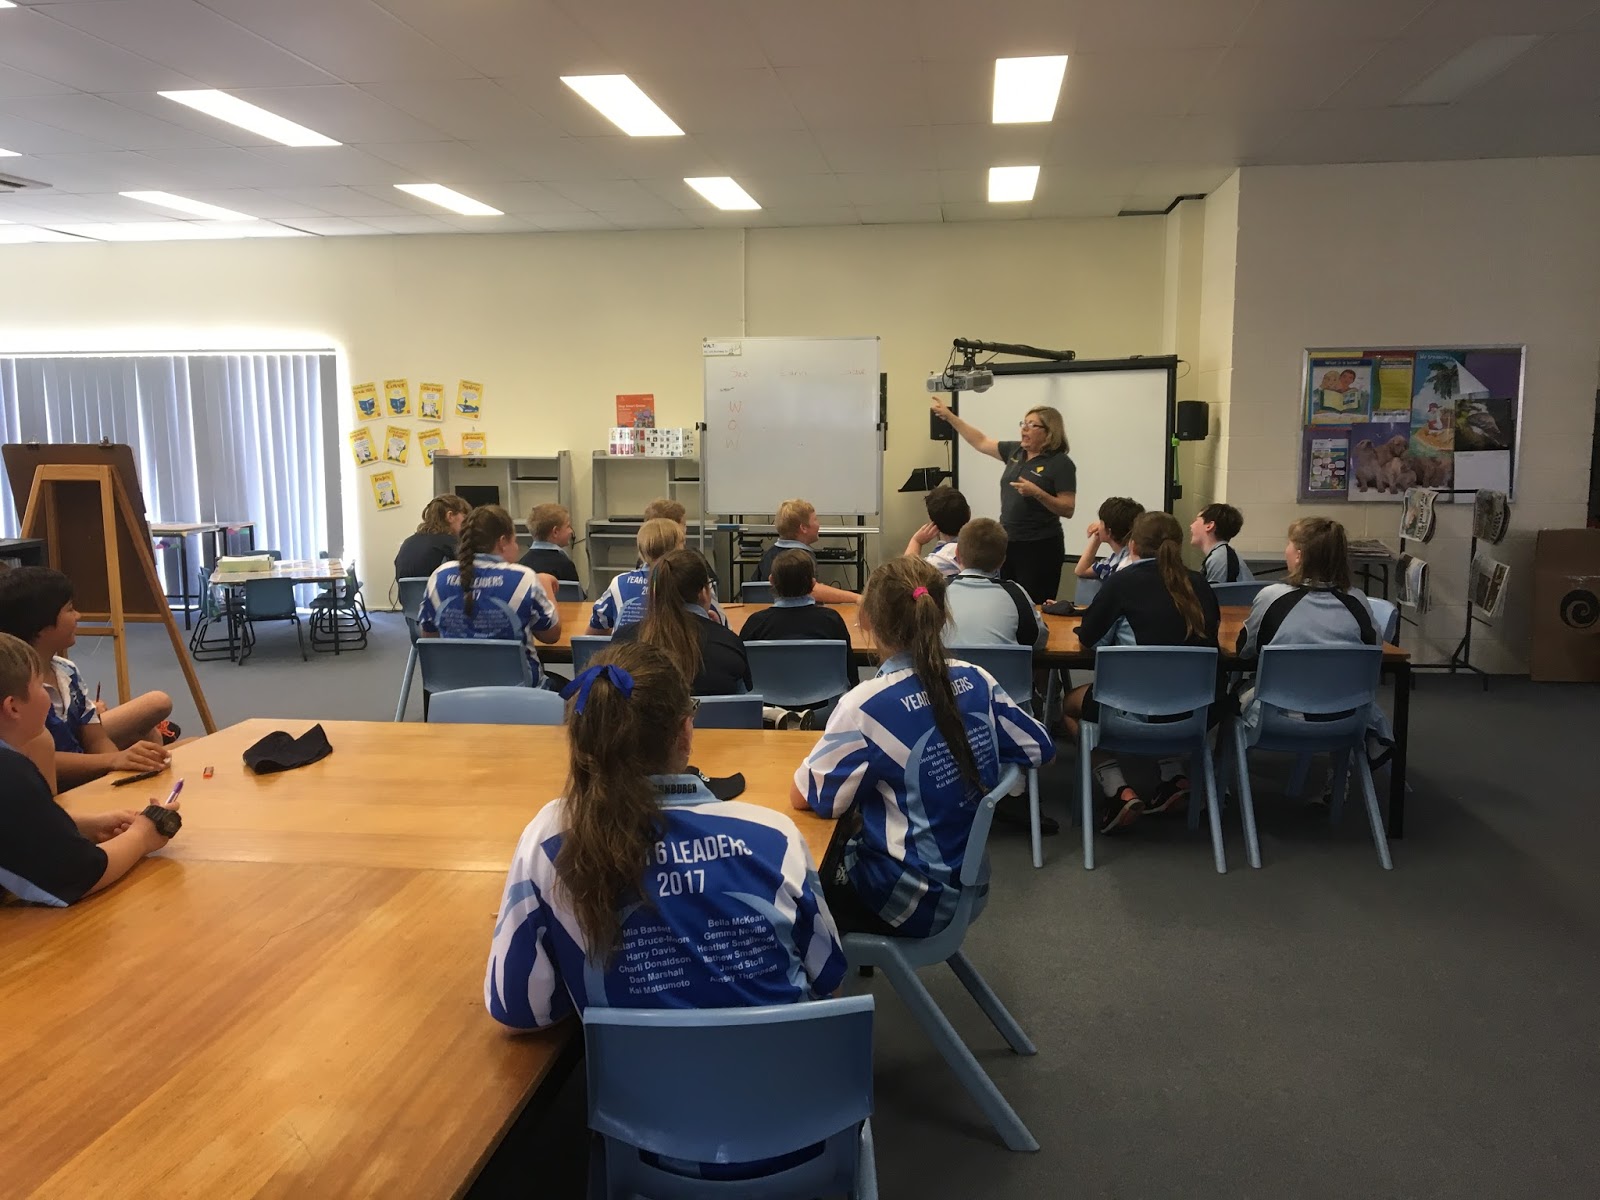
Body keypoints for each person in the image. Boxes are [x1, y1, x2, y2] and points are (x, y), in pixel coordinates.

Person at [485, 641, 846, 1029]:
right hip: (786, 1064)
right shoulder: (775, 837)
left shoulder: (549, 841)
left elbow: (518, 1009)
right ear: (685, 731)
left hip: (631, 1070)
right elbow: (828, 975)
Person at [791, 558, 1054, 936]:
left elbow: (811, 797)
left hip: (909, 898)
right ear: (942, 615)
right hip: (968, 884)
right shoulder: (977, 679)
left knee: (791, 884)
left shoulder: (864, 706)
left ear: (867, 620)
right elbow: (1039, 747)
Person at [1066, 512, 1221, 835]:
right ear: (1178, 546)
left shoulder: (1122, 583)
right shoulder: (1200, 584)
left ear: (1133, 545)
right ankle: (1173, 775)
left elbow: (1091, 640)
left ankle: (1117, 789)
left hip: (1131, 710)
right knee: (1163, 693)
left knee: (1069, 706)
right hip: (1194, 712)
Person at [0, 633, 183, 905]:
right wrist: (143, 835)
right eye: (41, 687)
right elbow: (82, 875)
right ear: (13, 707)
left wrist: (85, 827)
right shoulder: (9, 775)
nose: (48, 697)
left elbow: (20, 827)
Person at [0, 566, 174, 791]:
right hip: (55, 785)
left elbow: (97, 739)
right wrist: (113, 760)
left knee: (158, 736)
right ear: (40, 626)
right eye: (70, 609)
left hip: (83, 767)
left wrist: (120, 772)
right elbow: (39, 759)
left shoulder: (66, 670)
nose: (78, 616)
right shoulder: (18, 687)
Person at [1235, 517, 1392, 748]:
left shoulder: (1272, 598)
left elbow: (1245, 650)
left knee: (1233, 696)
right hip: (1347, 713)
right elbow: (1373, 649)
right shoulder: (1357, 601)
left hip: (1279, 713)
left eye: (1289, 544)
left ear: (1299, 555)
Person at [929, 400, 1077, 603]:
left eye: (1032, 425)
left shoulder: (1060, 463)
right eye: (1023, 423)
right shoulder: (1015, 451)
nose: (1024, 429)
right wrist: (950, 417)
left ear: (1049, 431)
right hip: (1008, 542)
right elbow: (980, 441)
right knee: (1007, 599)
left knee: (1033, 602)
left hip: (1039, 546)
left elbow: (1068, 508)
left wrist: (1037, 493)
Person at [417, 505, 562, 687]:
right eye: (515, 540)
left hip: (456, 691)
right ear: (503, 541)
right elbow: (551, 635)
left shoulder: (439, 576)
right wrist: (546, 585)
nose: (517, 547)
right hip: (519, 694)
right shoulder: (523, 578)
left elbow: (429, 635)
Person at [612, 549, 751, 696]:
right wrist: (721, 633)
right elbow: (744, 701)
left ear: (655, 593)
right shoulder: (729, 643)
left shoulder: (623, 641)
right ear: (704, 592)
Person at [738, 549, 855, 708]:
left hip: (768, 709)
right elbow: (851, 673)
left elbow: (741, 672)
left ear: (771, 581)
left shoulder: (755, 624)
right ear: (813, 584)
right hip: (823, 706)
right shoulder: (832, 620)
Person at [943, 518, 1045, 651]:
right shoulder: (1015, 594)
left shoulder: (938, 591)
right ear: (1003, 560)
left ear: (957, 554)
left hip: (947, 665)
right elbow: (1038, 640)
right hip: (1002, 665)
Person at [587, 518, 683, 635]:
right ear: (678, 549)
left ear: (641, 550)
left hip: (625, 646)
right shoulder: (687, 581)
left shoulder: (619, 583)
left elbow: (594, 630)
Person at [754, 499, 860, 604]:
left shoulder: (768, 555)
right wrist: (857, 598)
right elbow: (813, 591)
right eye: (815, 520)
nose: (819, 524)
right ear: (803, 528)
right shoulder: (800, 558)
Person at [395, 494, 469, 581]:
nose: (467, 523)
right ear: (450, 516)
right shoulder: (451, 543)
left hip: (406, 590)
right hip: (433, 589)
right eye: (464, 517)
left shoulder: (408, 542)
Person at [1075, 496, 1145, 585]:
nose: (1097, 526)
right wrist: (1097, 537)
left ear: (1108, 531)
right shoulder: (1114, 560)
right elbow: (1081, 571)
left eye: (1101, 522)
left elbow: (1080, 571)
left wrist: (1097, 538)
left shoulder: (1119, 564)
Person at [904, 485, 970, 577]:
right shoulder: (982, 547)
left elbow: (907, 574)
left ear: (933, 523)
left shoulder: (939, 560)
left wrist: (916, 541)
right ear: (969, 512)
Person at [518, 502, 581, 592]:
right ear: (555, 532)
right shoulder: (564, 564)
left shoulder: (522, 563)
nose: (571, 531)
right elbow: (576, 597)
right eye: (568, 526)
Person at [1190, 503, 1253, 585]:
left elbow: (1216, 592)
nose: (1191, 525)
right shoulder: (1221, 555)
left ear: (1209, 526)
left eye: (1196, 520)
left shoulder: (1218, 559)